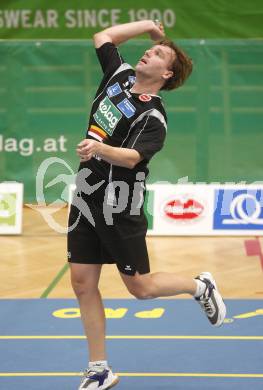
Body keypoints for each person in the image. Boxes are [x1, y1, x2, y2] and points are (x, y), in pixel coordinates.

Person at [67, 20, 226, 390]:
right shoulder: (118, 76)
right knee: (81, 283)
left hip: (119, 207)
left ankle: (198, 285)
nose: (148, 52)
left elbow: (133, 157)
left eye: (157, 54)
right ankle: (99, 369)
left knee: (140, 288)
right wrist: (151, 28)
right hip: (86, 197)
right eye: (151, 49)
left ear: (166, 74)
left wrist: (99, 148)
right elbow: (102, 36)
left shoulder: (154, 115)